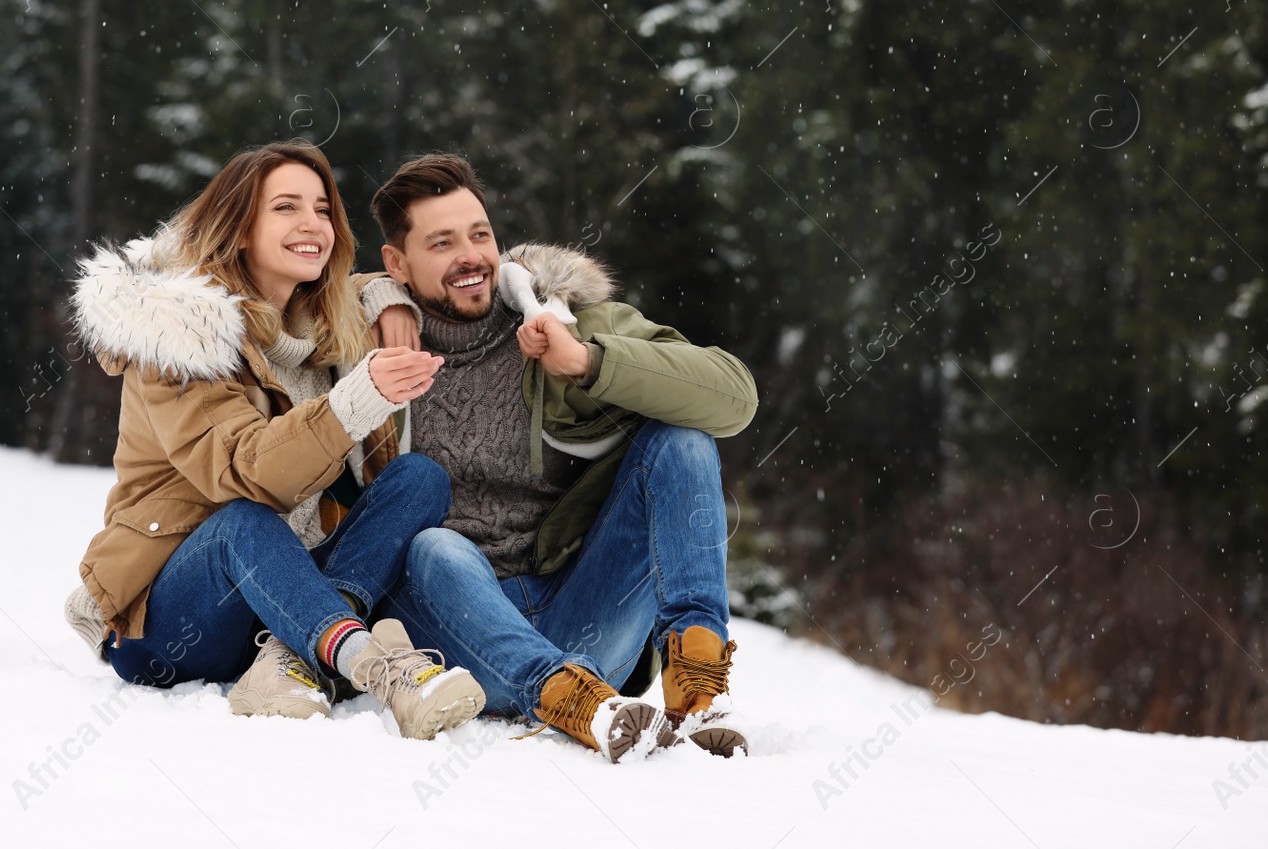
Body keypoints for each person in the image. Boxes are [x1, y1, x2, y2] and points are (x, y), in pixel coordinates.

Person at [61, 140, 485, 740]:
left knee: (419, 479)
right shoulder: (179, 337)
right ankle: (373, 666)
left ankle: (292, 654)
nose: (312, 224)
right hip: (172, 621)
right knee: (244, 520)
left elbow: (381, 276)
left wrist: (388, 295)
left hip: (281, 601)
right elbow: (243, 470)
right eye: (286, 208)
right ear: (238, 228)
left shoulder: (327, 325)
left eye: (322, 208)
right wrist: (353, 403)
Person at [359, 154, 759, 761]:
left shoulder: (561, 320)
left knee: (681, 441)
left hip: (585, 617)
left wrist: (587, 363)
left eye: (480, 235)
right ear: (397, 263)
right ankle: (558, 691)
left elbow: (733, 398)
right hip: (460, 640)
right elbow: (288, 287)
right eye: (441, 243)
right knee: (433, 545)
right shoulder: (366, 346)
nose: (470, 256)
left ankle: (697, 689)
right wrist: (374, 295)